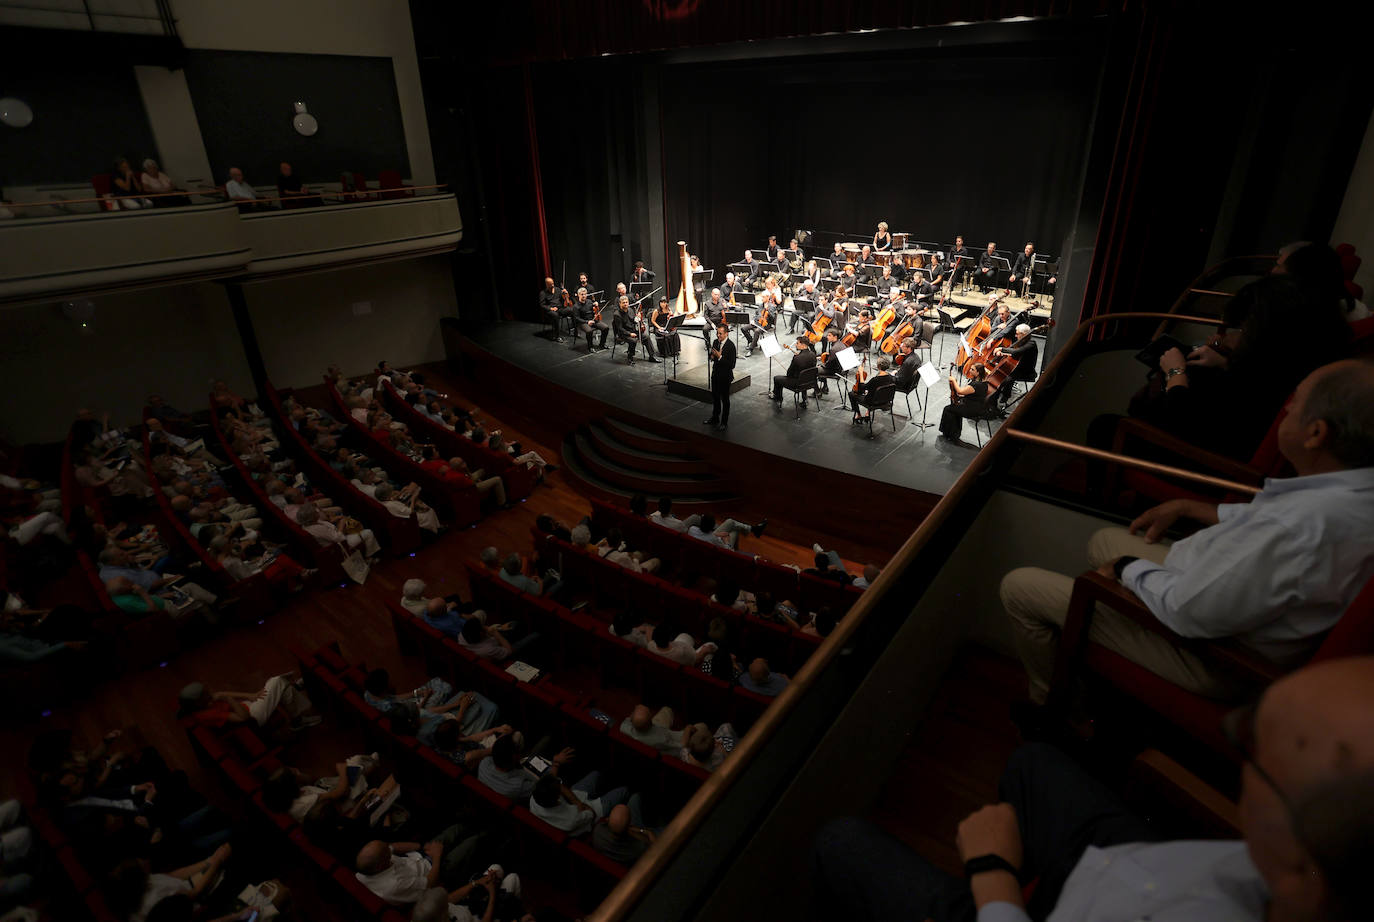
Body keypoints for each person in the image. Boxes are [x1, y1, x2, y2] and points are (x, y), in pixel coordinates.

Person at [813, 656, 1374, 922]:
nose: (1236, 734)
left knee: (839, 843)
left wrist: (993, 874)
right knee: (1035, 763)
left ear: (1305, 868)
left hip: (1053, 901)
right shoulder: (1307, 880)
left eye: (1252, 745)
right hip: (1137, 868)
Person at [1003, 358, 1374, 707]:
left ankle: (1052, 707)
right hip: (1229, 609)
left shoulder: (1298, 525)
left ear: (1315, 433)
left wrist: (1125, 570)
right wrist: (1191, 507)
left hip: (1213, 655)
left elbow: (1190, 611)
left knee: (1020, 589)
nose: (1287, 408)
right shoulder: (1352, 493)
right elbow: (1267, 528)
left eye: (1296, 402)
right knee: (1103, 541)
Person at [354, 821, 493, 905]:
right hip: (437, 872)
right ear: (380, 865)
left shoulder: (369, 866)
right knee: (473, 842)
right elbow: (430, 883)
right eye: (387, 853)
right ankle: (493, 831)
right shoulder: (394, 885)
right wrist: (437, 855)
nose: (389, 850)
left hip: (422, 856)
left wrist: (420, 845)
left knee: (457, 828)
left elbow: (393, 846)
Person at [179, 676, 320, 729]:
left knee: (283, 688)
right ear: (198, 702)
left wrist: (251, 695)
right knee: (276, 681)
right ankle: (295, 688)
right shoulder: (207, 715)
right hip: (253, 717)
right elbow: (243, 718)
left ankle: (297, 719)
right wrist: (228, 699)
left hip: (248, 706)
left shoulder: (203, 704)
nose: (209, 694)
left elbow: (222, 694)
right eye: (205, 694)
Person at [529, 771, 629, 836]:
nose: (560, 785)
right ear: (557, 797)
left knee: (596, 774)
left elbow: (559, 786)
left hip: (576, 802)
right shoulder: (571, 820)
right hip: (590, 817)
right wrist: (582, 805)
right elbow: (592, 814)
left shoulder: (535, 798)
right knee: (623, 791)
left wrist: (576, 802)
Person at [940, 363, 994, 443]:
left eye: (972, 369)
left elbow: (960, 391)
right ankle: (954, 433)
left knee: (948, 409)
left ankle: (949, 433)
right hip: (977, 406)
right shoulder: (984, 383)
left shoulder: (975, 385)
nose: (970, 370)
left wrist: (954, 381)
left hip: (972, 410)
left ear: (978, 373)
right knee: (954, 408)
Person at [991, 323, 1039, 402]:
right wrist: (1002, 354)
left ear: (1023, 334)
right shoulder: (1021, 342)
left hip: (1025, 371)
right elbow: (1012, 352)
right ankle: (995, 396)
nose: (1015, 336)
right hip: (1017, 367)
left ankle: (1004, 398)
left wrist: (1001, 349)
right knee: (1002, 375)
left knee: (1006, 378)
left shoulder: (1031, 343)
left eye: (1017, 334)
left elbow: (1017, 352)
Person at [704, 323, 736, 431]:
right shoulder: (715, 342)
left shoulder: (731, 346)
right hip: (716, 375)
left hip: (725, 377)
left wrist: (720, 357)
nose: (718, 336)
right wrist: (712, 356)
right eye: (717, 333)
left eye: (721, 334)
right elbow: (712, 356)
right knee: (715, 397)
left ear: (726, 334)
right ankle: (715, 418)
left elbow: (732, 365)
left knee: (725, 400)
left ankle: (724, 422)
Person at [772, 335, 818, 404]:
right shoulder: (813, 355)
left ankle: (778, 397)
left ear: (803, 345)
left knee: (777, 378)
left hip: (798, 384)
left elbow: (789, 374)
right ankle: (804, 399)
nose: (796, 345)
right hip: (810, 381)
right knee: (804, 375)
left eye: (797, 343)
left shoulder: (796, 358)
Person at [612, 296, 657, 364]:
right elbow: (620, 329)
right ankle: (630, 357)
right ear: (620, 304)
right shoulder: (617, 314)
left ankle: (652, 356)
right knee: (633, 340)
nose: (625, 304)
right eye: (623, 303)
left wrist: (638, 318)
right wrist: (629, 334)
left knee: (646, 337)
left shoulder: (630, 310)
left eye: (626, 302)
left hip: (632, 330)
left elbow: (633, 320)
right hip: (623, 333)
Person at [687, 512, 766, 549]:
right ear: (712, 527)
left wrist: (717, 535)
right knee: (735, 530)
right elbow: (727, 550)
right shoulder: (713, 539)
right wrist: (726, 539)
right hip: (722, 550)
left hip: (708, 540)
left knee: (730, 522)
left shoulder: (692, 529)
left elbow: (706, 536)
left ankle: (754, 529)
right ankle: (737, 553)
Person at [852, 358, 895, 427]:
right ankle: (867, 413)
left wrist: (861, 373)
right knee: (873, 393)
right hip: (886, 402)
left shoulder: (875, 380)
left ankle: (858, 415)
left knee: (852, 394)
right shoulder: (891, 378)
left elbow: (863, 387)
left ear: (878, 366)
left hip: (873, 402)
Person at [574, 288, 608, 352]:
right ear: (578, 295)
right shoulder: (576, 306)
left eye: (585, 294)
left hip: (593, 320)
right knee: (589, 331)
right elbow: (577, 318)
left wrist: (596, 304)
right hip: (582, 322)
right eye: (582, 294)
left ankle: (602, 344)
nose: (584, 296)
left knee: (606, 328)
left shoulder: (589, 301)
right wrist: (587, 322)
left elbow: (594, 308)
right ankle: (590, 346)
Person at [538, 277, 571, 341]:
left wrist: (565, 294)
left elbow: (563, 300)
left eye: (553, 283)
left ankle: (576, 332)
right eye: (550, 284)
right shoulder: (543, 293)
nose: (552, 285)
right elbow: (542, 305)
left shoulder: (558, 289)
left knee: (571, 310)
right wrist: (551, 308)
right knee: (555, 315)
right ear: (547, 284)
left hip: (559, 308)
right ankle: (557, 336)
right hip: (550, 310)